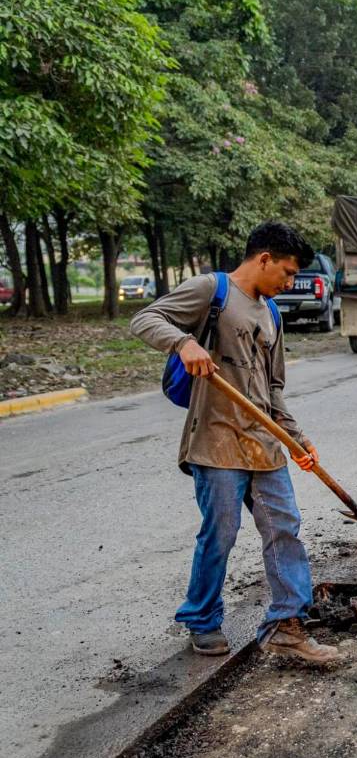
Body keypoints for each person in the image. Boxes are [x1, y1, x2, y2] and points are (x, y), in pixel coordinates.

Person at [130, 222, 339, 664]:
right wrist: (183, 342)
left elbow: (274, 388)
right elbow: (145, 318)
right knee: (220, 533)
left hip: (265, 442)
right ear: (263, 259)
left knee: (285, 529)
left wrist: (298, 439)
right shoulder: (213, 289)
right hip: (217, 441)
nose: (287, 283)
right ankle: (202, 619)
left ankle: (287, 624)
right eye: (285, 272)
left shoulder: (273, 314)